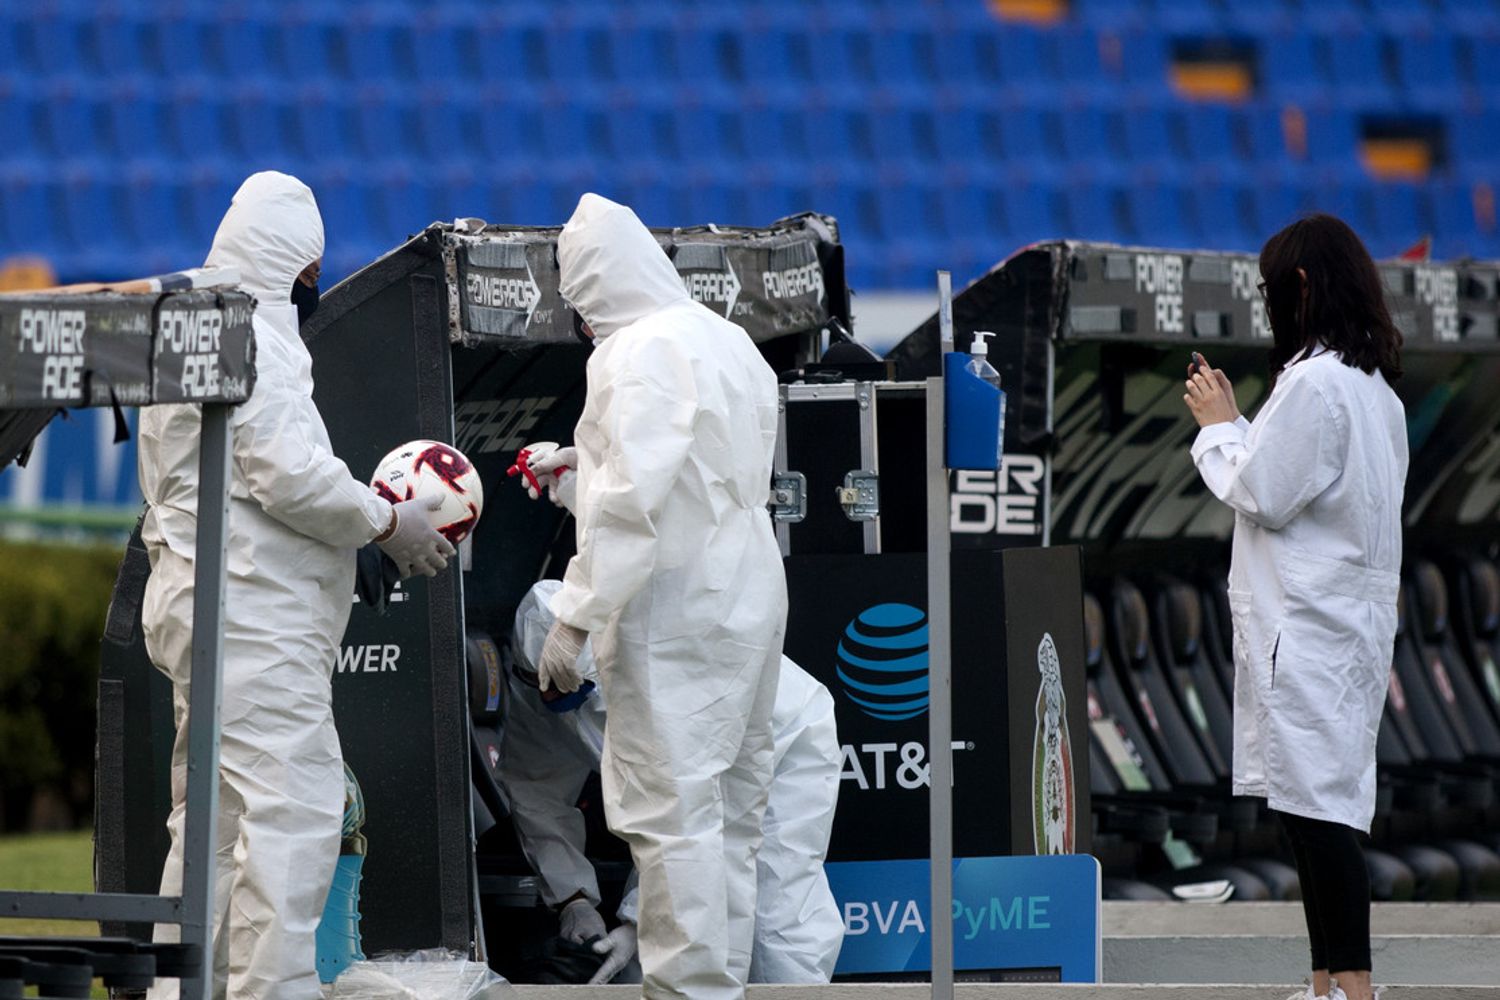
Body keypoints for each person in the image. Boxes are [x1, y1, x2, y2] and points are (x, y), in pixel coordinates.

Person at [138, 171, 454, 1000]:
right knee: (293, 817)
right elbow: (286, 474)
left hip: (207, 607)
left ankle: (184, 991)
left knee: (209, 828)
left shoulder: (192, 324)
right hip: (252, 621)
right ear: (301, 265)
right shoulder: (253, 336)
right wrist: (386, 522)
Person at [528, 192, 788, 1000]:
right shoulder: (728, 338)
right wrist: (583, 475)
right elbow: (692, 480)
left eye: (581, 307)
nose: (582, 326)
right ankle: (719, 987)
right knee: (732, 819)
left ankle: (688, 994)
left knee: (671, 816)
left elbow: (631, 507)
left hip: (677, 612)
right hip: (749, 590)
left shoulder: (634, 353)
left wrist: (572, 618)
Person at [1183, 214, 1407, 1000]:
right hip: (1341, 624)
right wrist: (1239, 423)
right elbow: (1295, 476)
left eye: (1274, 290)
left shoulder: (1314, 384)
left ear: (1302, 287)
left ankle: (1351, 986)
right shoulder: (1371, 388)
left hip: (1309, 627)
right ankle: (1327, 982)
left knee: (1317, 816)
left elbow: (1262, 491)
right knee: (1319, 809)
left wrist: (1216, 431)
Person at [499, 580, 843, 985]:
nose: (564, 702)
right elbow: (537, 794)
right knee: (659, 949)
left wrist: (634, 919)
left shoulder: (654, 671)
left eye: (575, 689)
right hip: (687, 793)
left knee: (775, 918)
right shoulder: (533, 692)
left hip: (781, 738)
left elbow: (696, 807)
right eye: (551, 688)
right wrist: (573, 900)